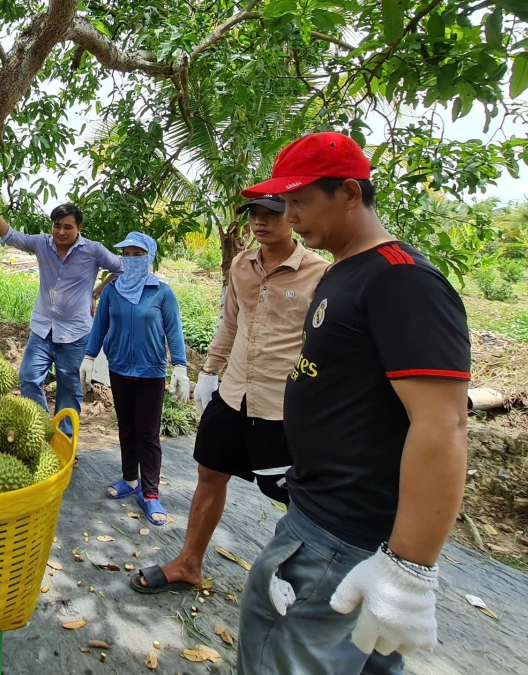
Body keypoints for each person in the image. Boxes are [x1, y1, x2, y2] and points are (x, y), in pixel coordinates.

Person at [235, 133, 471, 675]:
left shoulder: (402, 281)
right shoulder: (343, 271)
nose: (289, 217)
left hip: (341, 539)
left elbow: (443, 423)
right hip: (321, 513)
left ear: (347, 192)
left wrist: (409, 571)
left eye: (299, 202)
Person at [132, 195, 327, 593]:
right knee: (209, 473)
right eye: (254, 215)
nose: (260, 222)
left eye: (270, 214)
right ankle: (189, 564)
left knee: (293, 496)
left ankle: (305, 585)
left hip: (281, 404)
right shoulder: (241, 265)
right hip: (233, 392)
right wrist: (208, 372)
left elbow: (326, 345)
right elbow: (230, 323)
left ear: (292, 216)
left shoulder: (319, 274)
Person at [0, 178, 125, 433]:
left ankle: (65, 440)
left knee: (69, 390)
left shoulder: (94, 250)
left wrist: (97, 292)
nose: (61, 232)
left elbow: (122, 268)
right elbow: (9, 235)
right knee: (28, 378)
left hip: (76, 334)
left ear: (79, 227)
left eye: (67, 227)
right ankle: (41, 433)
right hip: (43, 329)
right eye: (57, 226)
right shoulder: (42, 244)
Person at [81, 232, 187, 525]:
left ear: (149, 257)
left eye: (137, 254)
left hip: (151, 371)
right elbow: (100, 326)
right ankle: (130, 479)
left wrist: (180, 366)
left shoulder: (161, 292)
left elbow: (174, 332)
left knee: (148, 434)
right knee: (127, 428)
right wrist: (89, 358)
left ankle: (151, 494)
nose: (131, 260)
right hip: (119, 369)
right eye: (126, 254)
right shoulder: (113, 291)